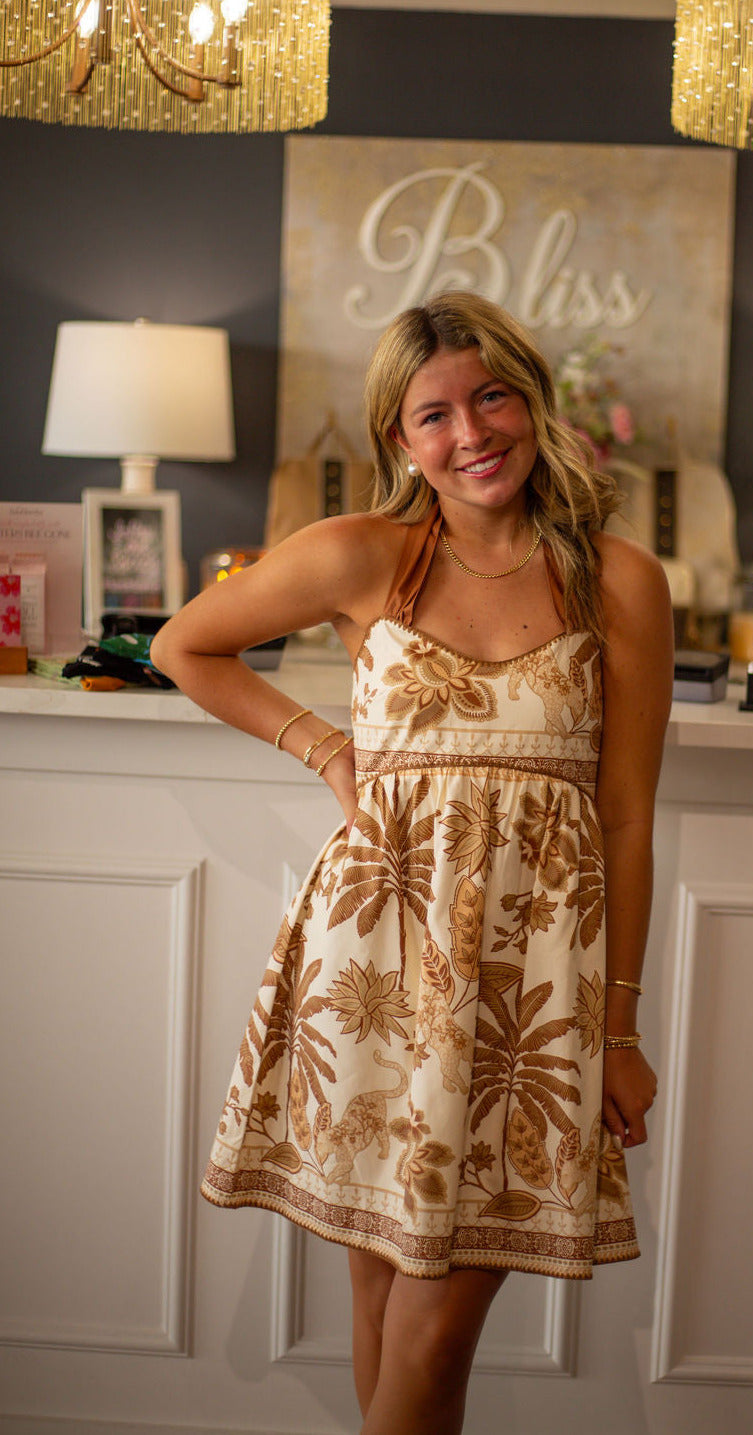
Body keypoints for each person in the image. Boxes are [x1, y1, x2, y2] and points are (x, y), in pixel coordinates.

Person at [150, 291, 673, 1435]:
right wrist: (325, 747)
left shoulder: (620, 580)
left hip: (531, 996)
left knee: (430, 1335)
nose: (471, 433)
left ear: (534, 400)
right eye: (434, 415)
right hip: (374, 971)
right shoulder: (359, 555)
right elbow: (183, 643)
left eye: (493, 398)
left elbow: (628, 817)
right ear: (399, 436)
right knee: (388, 1308)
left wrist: (621, 1028)